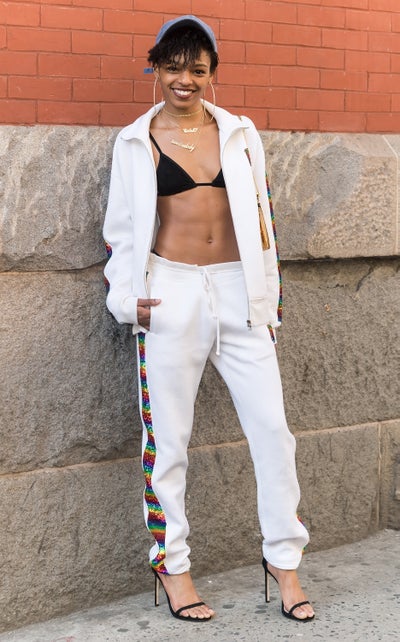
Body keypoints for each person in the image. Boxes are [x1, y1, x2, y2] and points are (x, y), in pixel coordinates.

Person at [103, 15, 315, 624]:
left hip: (239, 294)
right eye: (173, 67)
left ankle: (284, 563)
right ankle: (173, 567)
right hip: (169, 295)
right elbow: (121, 230)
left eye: (197, 69)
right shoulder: (134, 141)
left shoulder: (240, 134)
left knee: (274, 432)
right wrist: (128, 301)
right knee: (168, 443)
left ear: (212, 73)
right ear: (156, 69)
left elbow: (264, 219)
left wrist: (268, 302)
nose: (185, 79)